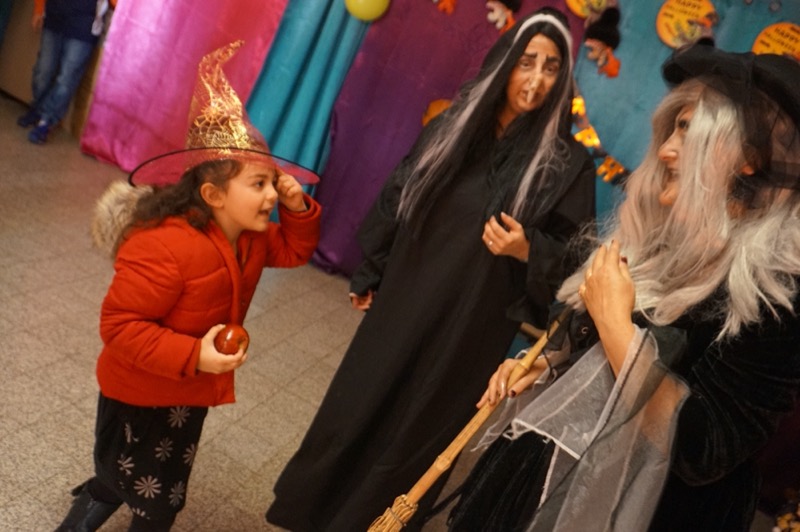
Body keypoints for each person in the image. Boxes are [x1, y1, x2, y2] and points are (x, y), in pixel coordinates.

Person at [266, 8, 596, 531]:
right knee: (362, 403)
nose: (536, 79)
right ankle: (313, 516)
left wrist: (526, 248)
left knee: (419, 430)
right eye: (526, 62)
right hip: (408, 295)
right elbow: (399, 192)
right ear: (505, 62)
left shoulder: (566, 164)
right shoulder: (454, 127)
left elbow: (576, 258)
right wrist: (372, 268)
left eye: (551, 67)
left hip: (472, 326)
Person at [447, 43, 800, 531]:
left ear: (749, 159)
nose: (667, 149)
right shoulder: (666, 240)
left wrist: (615, 324)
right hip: (562, 473)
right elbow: (604, 360)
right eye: (672, 129)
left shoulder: (777, 294)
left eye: (688, 129)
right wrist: (551, 367)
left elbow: (702, 449)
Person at [54, 41, 322, 531]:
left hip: (189, 388)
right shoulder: (166, 246)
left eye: (273, 182)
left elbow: (294, 251)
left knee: (164, 485)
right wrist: (194, 353)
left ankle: (105, 495)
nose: (272, 194)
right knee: (135, 480)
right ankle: (94, 500)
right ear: (213, 194)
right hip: (139, 387)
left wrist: (298, 209)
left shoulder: (252, 238)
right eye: (258, 185)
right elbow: (119, 327)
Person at [16, 0, 115, 144]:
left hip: (84, 26)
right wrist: (39, 8)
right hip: (54, 17)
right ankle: (37, 108)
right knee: (43, 71)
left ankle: (46, 121)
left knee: (66, 79)